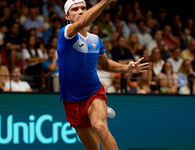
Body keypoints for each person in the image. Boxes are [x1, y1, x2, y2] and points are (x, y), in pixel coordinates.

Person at [57, 0, 149, 150]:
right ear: (67, 16)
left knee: (100, 127)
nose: (80, 11)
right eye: (75, 9)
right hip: (71, 100)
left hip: (94, 92)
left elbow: (106, 65)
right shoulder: (66, 34)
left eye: (83, 8)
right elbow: (83, 22)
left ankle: (99, 110)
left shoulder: (95, 40)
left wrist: (127, 68)